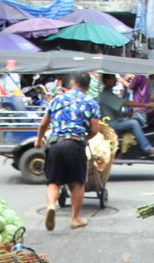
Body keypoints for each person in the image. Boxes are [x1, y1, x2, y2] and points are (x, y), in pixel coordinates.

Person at [35, 71, 100, 231]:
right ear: (88, 87)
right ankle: (75, 218)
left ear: (72, 83)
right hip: (75, 144)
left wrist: (38, 140)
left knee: (53, 182)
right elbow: (95, 129)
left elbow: (43, 125)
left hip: (55, 143)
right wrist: (85, 138)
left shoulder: (57, 99)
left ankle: (51, 206)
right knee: (78, 182)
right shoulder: (91, 102)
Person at [98, 73, 154, 159]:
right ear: (105, 81)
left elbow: (112, 112)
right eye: (112, 78)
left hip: (117, 120)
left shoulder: (109, 93)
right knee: (134, 123)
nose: (115, 80)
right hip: (112, 124)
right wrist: (146, 105)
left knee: (137, 119)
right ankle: (148, 148)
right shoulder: (105, 95)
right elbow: (126, 103)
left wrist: (126, 114)